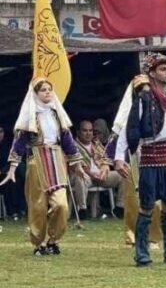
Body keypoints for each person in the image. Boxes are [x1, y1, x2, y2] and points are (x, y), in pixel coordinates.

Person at [115, 53, 166, 266]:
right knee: (147, 206)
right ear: (152, 73)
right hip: (149, 156)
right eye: (162, 69)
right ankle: (142, 253)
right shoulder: (144, 99)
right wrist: (119, 157)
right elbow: (128, 129)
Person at [2, 78, 86, 256]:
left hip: (56, 160)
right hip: (37, 161)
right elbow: (19, 143)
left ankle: (53, 240)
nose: (47, 92)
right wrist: (12, 168)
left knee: (61, 205)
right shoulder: (30, 116)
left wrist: (77, 164)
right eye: (43, 90)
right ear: (35, 94)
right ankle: (38, 243)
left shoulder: (57, 114)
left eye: (49, 89)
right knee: (38, 206)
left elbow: (68, 141)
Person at [109, 74, 163, 249]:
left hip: (154, 155)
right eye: (140, 89)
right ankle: (132, 236)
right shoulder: (130, 113)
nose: (144, 92)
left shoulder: (157, 110)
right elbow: (121, 136)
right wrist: (117, 158)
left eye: (146, 88)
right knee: (131, 198)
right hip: (133, 157)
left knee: (155, 198)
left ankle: (153, 238)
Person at [72, 119, 123, 220]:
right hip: (86, 176)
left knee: (122, 174)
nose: (88, 133)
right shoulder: (73, 145)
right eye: (85, 130)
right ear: (78, 132)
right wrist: (91, 174)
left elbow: (106, 158)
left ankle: (120, 208)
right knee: (80, 177)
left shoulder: (96, 143)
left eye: (90, 130)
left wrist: (105, 169)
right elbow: (75, 165)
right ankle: (82, 210)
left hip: (100, 176)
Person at [0, 126, 27, 221]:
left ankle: (15, 211)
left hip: (7, 173)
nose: (0, 134)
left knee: (14, 183)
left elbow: (11, 161)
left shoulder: (8, 146)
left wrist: (2, 171)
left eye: (1, 131)